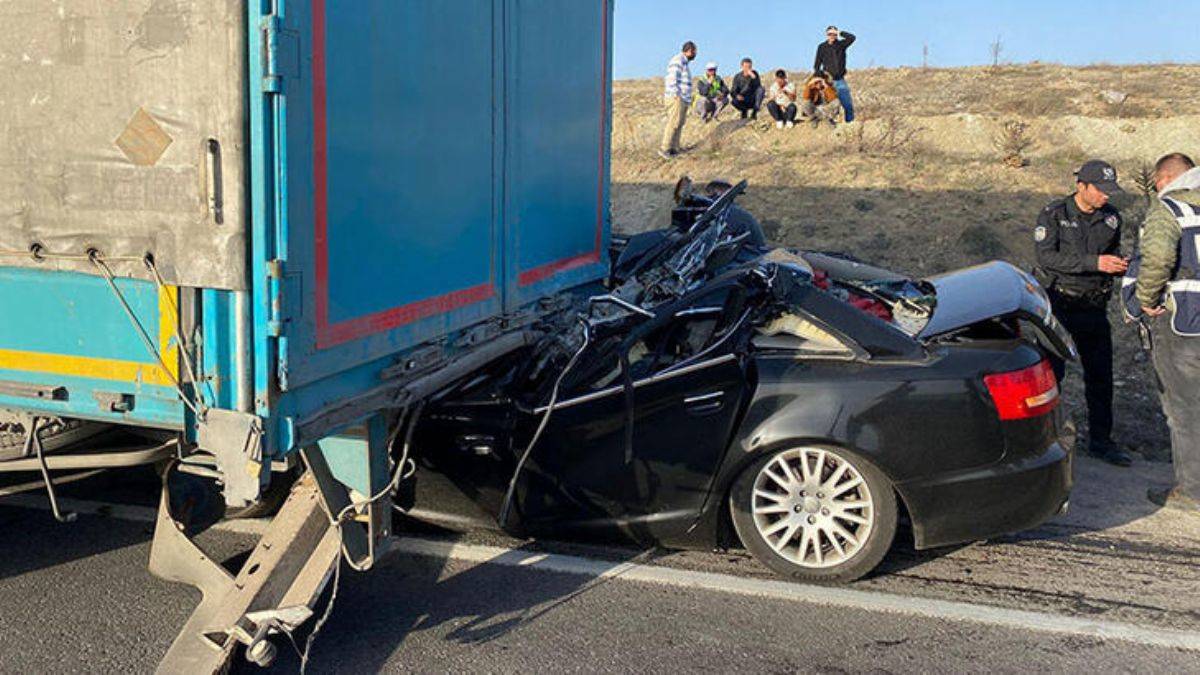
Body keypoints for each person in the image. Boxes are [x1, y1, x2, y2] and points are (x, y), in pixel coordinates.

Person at [1033, 160, 1131, 466]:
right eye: (1100, 190)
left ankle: (1102, 441)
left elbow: (1110, 254)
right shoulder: (1054, 214)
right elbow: (1046, 257)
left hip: (1093, 306)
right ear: (1081, 187)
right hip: (1060, 303)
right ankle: (1045, 440)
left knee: (1100, 375)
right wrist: (1095, 263)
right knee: (1052, 375)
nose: (1105, 196)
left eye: (1109, 191)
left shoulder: (1112, 218)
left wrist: (1117, 265)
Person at [1122, 153, 1200, 511]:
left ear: (1162, 180)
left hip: (1182, 325)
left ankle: (1192, 491)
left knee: (1184, 410)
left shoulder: (1169, 209)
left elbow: (1155, 259)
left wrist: (1146, 298)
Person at [659, 41, 696, 160]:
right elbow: (672, 78)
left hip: (683, 98)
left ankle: (674, 148)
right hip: (677, 98)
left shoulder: (684, 63)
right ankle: (665, 148)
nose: (695, 54)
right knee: (673, 122)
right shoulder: (678, 61)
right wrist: (676, 94)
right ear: (689, 51)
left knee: (679, 123)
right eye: (694, 51)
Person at [813, 25, 856, 123]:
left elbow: (852, 38)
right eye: (830, 34)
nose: (832, 36)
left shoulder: (841, 45)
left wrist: (840, 32)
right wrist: (820, 77)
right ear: (826, 35)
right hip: (827, 81)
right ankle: (828, 123)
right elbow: (817, 65)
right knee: (829, 104)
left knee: (847, 104)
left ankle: (850, 125)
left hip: (840, 80)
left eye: (834, 34)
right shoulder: (822, 47)